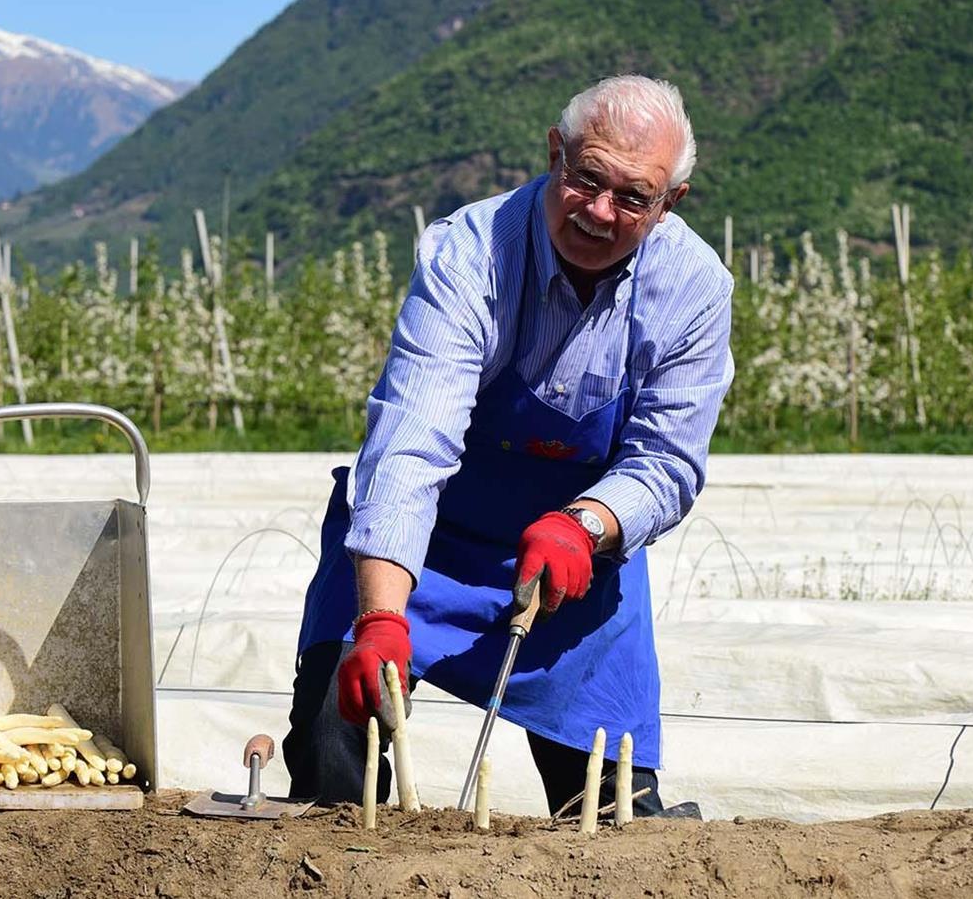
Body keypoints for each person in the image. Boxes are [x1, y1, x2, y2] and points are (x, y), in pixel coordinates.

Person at [282, 74, 733, 819]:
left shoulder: (695, 287)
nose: (599, 212)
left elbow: (667, 462)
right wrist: (383, 619)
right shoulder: (469, 254)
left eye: (632, 197)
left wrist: (584, 523)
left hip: (567, 566)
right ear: (555, 153)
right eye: (586, 178)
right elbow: (410, 445)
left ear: (668, 204)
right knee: (336, 756)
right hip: (420, 550)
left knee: (612, 816)